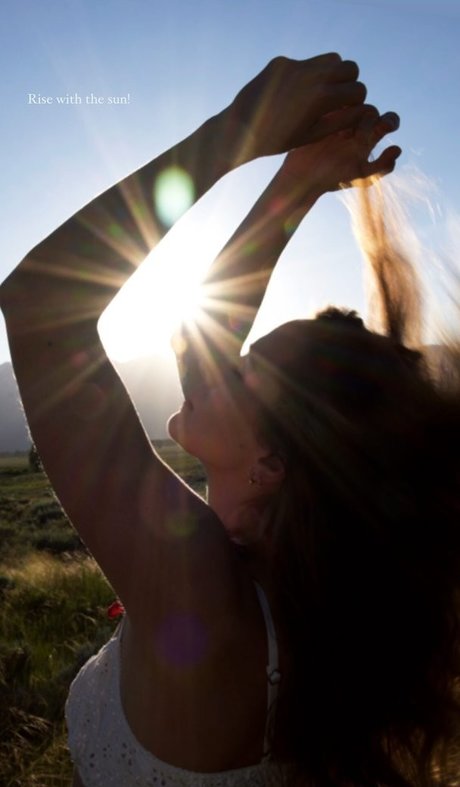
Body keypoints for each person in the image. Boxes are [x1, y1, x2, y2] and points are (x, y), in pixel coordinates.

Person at [1, 54, 459, 787]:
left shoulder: (199, 593)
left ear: (271, 462)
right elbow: (199, 340)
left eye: (244, 369)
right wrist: (296, 181)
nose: (218, 359)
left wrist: (236, 131)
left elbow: (37, 306)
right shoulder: (301, 586)